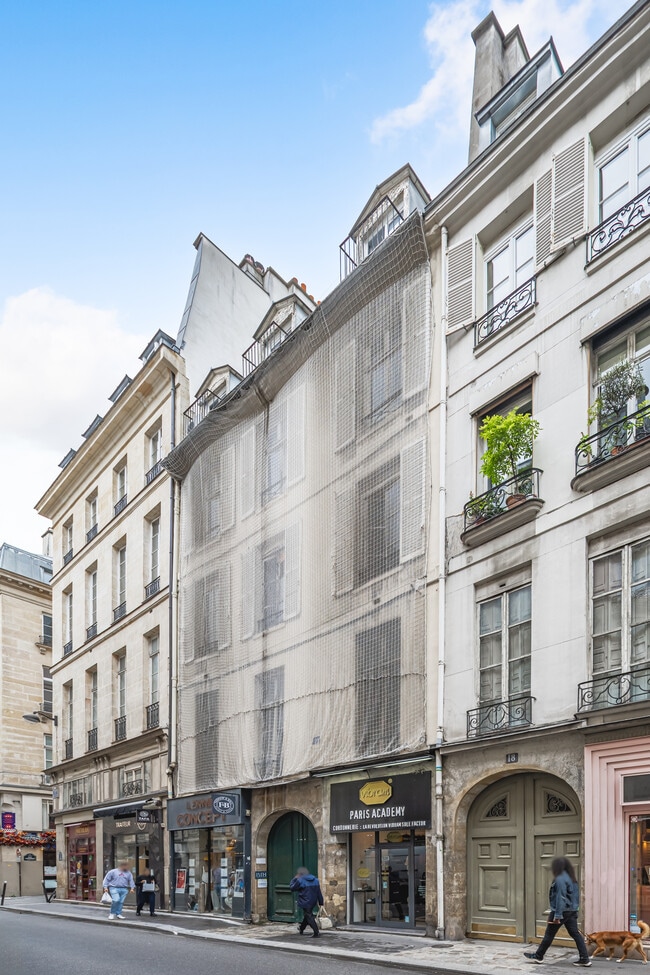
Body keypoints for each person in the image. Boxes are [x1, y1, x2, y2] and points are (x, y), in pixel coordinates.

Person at [524, 857, 591, 967]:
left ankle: (539, 955)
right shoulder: (572, 878)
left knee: (549, 934)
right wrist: (575, 911)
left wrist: (557, 915)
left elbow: (561, 897)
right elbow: (575, 897)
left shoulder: (560, 879)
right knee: (575, 934)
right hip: (571, 911)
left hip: (561, 911)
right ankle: (585, 958)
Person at [290, 866, 324, 938]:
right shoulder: (315, 879)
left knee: (309, 916)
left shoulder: (300, 880)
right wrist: (321, 901)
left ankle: (316, 932)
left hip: (305, 901)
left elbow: (292, 888)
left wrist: (294, 878)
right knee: (307, 915)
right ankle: (301, 928)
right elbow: (319, 892)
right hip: (313, 901)